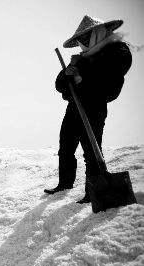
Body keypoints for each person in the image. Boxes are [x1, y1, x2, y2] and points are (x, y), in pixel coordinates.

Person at [44, 16, 132, 203]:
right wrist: (70, 75)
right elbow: (60, 84)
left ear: (98, 33)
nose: (83, 42)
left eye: (86, 37)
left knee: (91, 149)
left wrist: (80, 80)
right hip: (74, 107)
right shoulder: (80, 59)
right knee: (66, 146)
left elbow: (109, 85)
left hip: (95, 108)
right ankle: (64, 184)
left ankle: (93, 190)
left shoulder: (117, 51)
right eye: (81, 39)